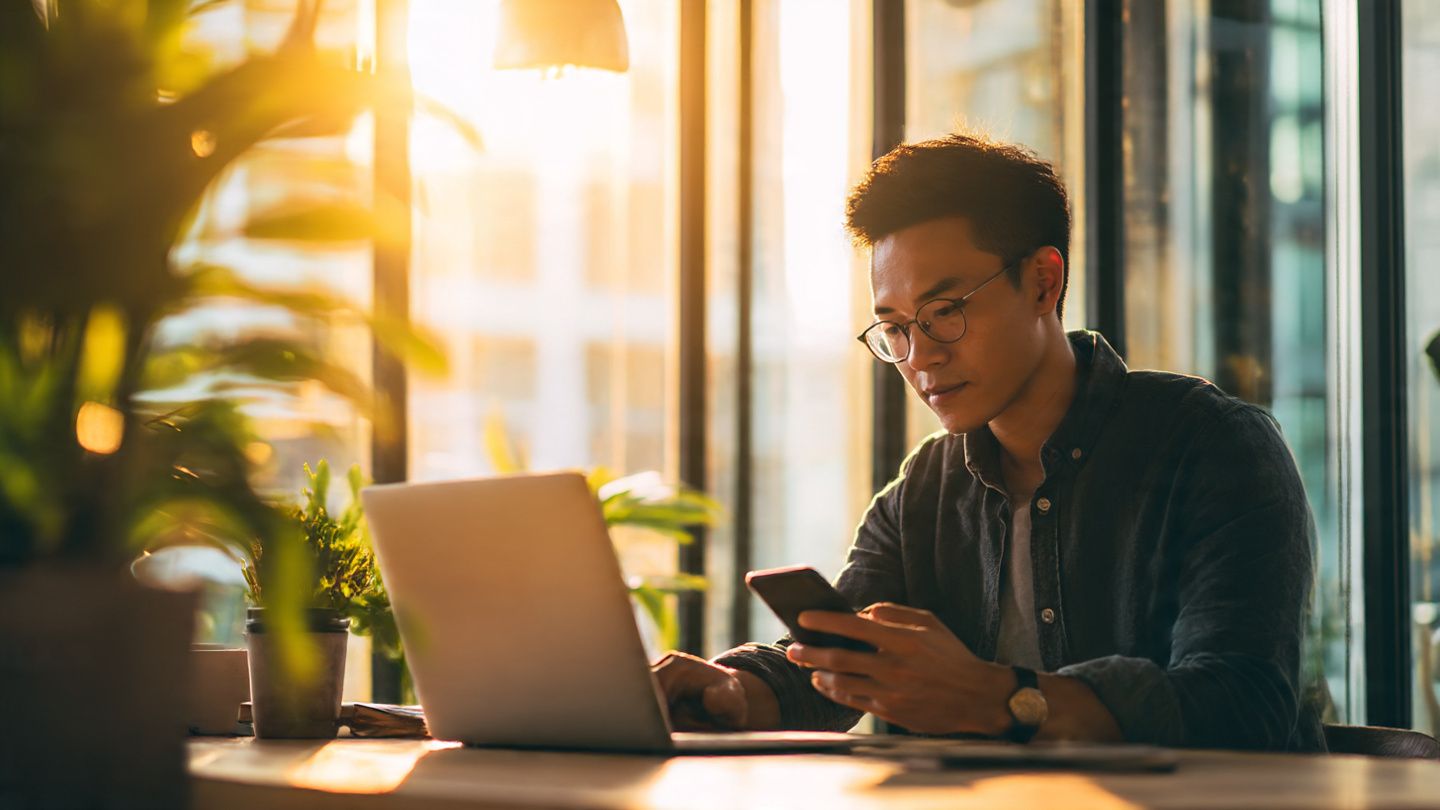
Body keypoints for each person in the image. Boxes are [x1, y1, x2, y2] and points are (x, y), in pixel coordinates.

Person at [652, 133, 1323, 751]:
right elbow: (843, 662)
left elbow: (1241, 704)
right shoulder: (928, 488)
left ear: (1042, 282)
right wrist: (731, 690)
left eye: (945, 312)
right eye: (896, 329)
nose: (920, 357)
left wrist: (1002, 698)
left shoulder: (1212, 448)